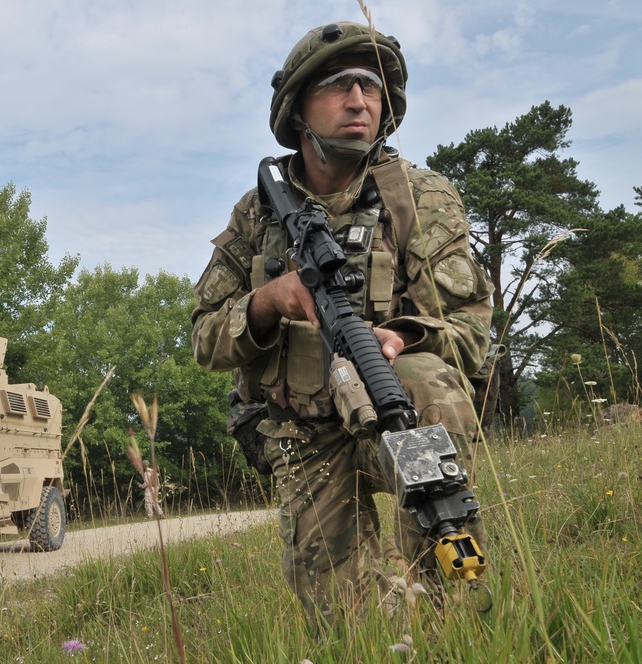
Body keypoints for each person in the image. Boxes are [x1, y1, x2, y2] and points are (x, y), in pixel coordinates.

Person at [191, 22, 492, 627]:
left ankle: (454, 620)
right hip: (301, 433)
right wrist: (268, 300)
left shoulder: (419, 197)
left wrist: (402, 338)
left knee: (430, 393)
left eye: (372, 86)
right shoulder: (256, 213)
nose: (360, 100)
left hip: (399, 411)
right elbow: (203, 336)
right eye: (339, 84)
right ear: (298, 108)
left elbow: (470, 328)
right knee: (344, 621)